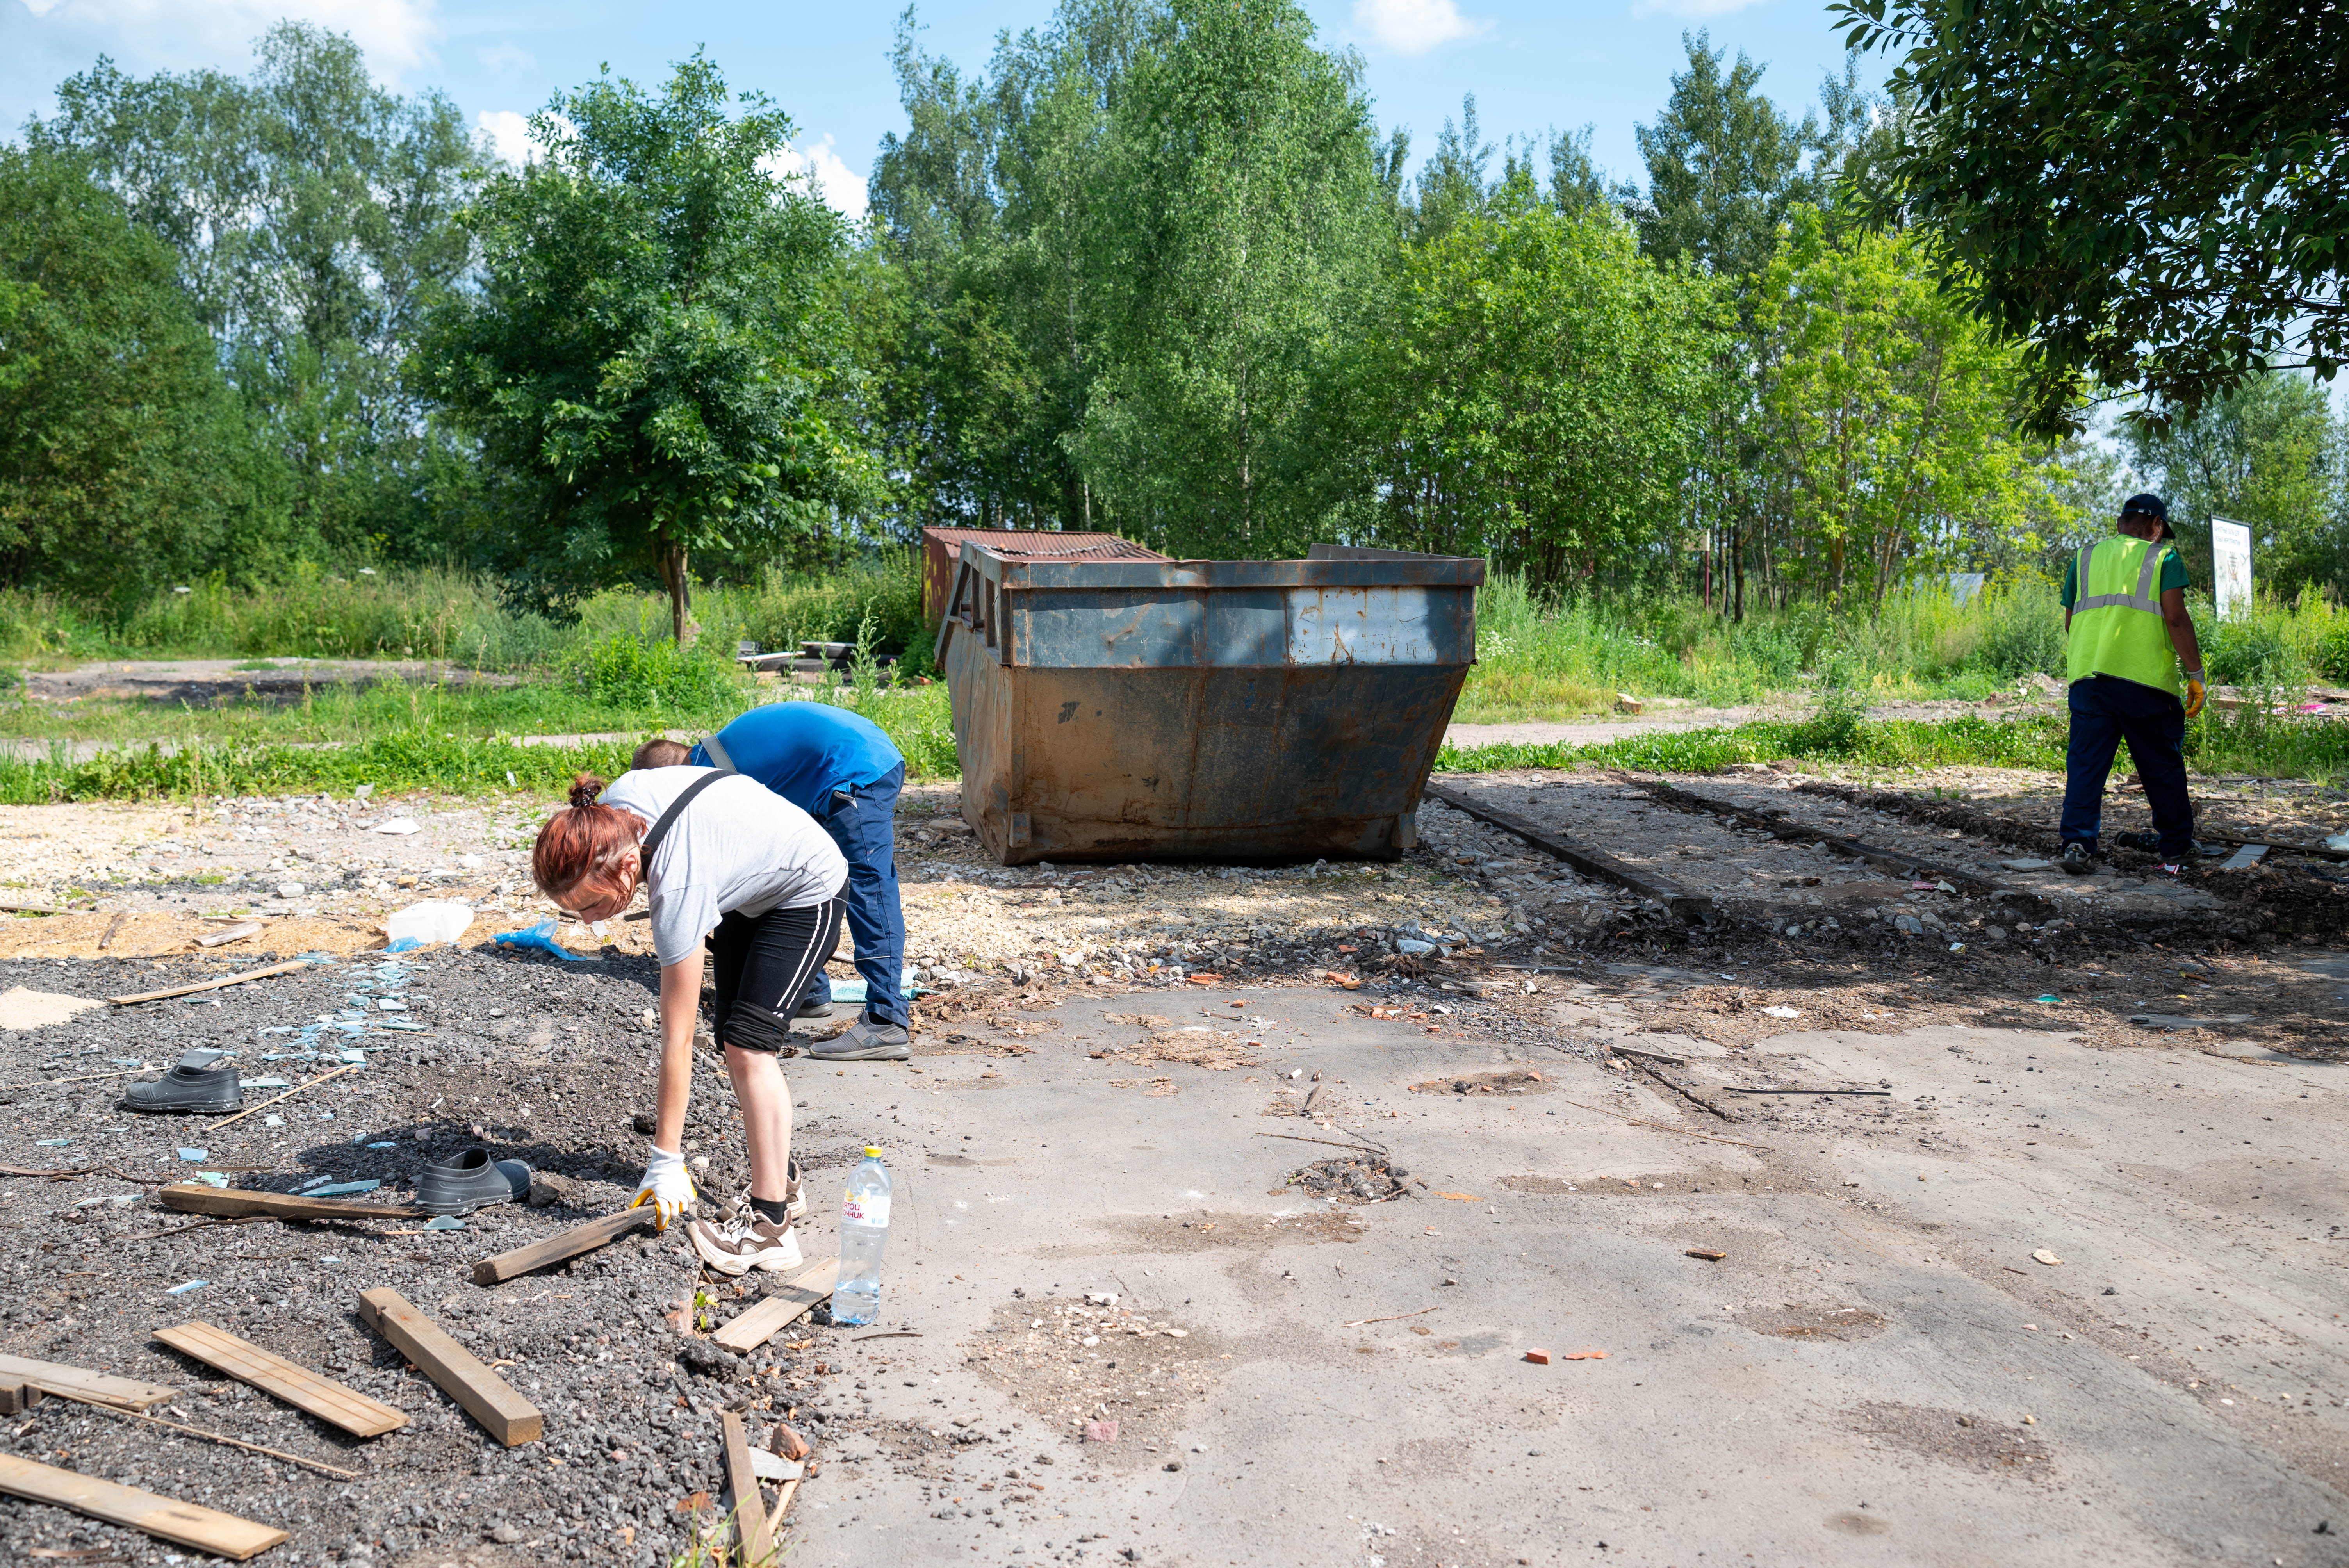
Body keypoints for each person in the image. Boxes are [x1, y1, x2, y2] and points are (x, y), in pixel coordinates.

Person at [531, 767, 846, 1276]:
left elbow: (676, 1041)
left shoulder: (679, 884)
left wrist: (665, 1157)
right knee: (731, 1036)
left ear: (629, 864)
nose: (588, 922)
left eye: (591, 905)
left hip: (807, 888)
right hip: (747, 885)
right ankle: (782, 1180)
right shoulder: (604, 818)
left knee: (750, 1046)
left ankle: (770, 1229)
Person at [634, 700, 912, 1062]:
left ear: (667, 777)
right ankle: (809, 994)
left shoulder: (706, 778)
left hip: (856, 771)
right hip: (841, 764)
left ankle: (886, 1019)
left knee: (869, 887)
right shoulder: (720, 755)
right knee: (793, 873)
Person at [2058, 492, 2207, 876]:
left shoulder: (2084, 558)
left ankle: (2077, 844)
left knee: (2086, 765)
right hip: (2144, 683)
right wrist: (2195, 675)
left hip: (2088, 679)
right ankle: (2176, 848)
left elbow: (2071, 622)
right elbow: (2175, 619)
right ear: (2157, 527)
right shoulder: (2163, 558)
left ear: (2120, 522)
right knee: (2162, 767)